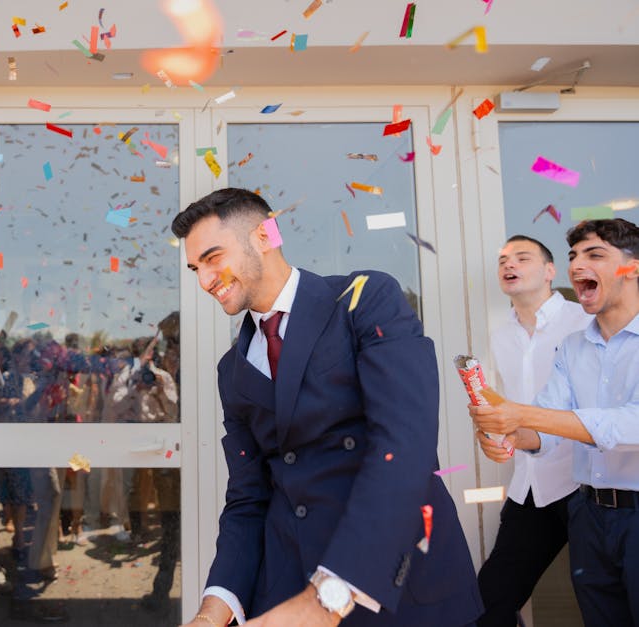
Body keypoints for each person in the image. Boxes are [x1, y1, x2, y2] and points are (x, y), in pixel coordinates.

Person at [172, 188, 482, 626]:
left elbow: (404, 444)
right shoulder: (231, 370)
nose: (205, 280)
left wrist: (328, 597)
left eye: (213, 258)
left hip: (395, 588)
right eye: (195, 268)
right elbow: (248, 498)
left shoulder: (365, 300)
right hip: (288, 590)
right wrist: (213, 609)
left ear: (264, 235)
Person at [472, 218, 639, 627]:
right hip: (589, 512)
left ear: (632, 267)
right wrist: (507, 433)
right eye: (574, 256)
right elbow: (544, 425)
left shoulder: (572, 324)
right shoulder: (573, 346)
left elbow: (631, 423)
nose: (577, 265)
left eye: (595, 254)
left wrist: (521, 414)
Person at [475, 235, 592, 626]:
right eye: (503, 260)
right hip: (530, 484)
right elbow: (510, 405)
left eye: (522, 258)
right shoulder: (500, 335)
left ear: (550, 271)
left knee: (601, 600)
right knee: (487, 602)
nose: (509, 265)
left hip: (584, 486)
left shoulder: (584, 321)